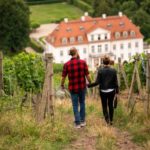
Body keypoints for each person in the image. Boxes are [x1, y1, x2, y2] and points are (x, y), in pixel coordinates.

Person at [61, 47, 91, 129]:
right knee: (82, 103)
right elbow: (87, 75)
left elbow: (63, 77)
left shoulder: (66, 64)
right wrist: (90, 82)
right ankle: (82, 121)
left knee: (75, 105)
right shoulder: (83, 62)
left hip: (72, 87)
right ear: (76, 53)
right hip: (82, 86)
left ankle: (77, 123)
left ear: (70, 54)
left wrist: (62, 84)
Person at [88, 56, 119, 125]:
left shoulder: (100, 71)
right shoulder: (113, 70)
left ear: (102, 62)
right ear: (109, 62)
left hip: (103, 91)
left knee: (104, 106)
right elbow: (116, 82)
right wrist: (117, 92)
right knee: (110, 105)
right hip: (112, 91)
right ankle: (111, 120)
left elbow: (97, 82)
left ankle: (107, 120)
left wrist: (88, 85)